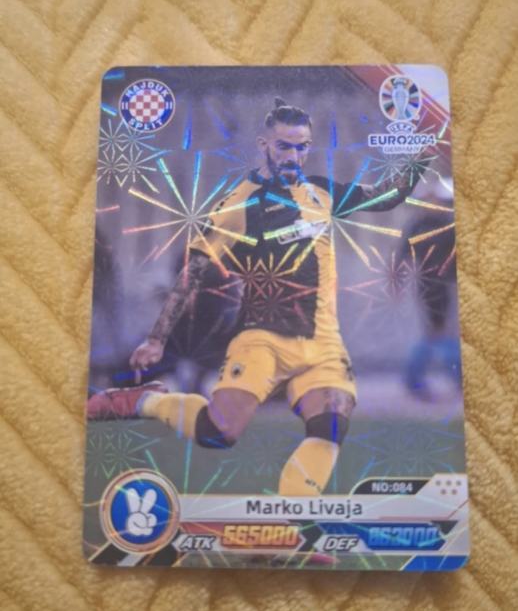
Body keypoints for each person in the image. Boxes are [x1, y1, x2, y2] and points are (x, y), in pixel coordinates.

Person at [88, 98, 426, 496]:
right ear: (264, 144)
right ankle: (147, 401)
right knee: (218, 432)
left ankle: (293, 517)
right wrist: (156, 339)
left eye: (302, 147)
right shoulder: (240, 203)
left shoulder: (321, 192)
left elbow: (387, 196)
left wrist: (423, 154)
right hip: (263, 338)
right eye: (284, 146)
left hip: (323, 341)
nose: (293, 156)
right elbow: (193, 271)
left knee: (332, 421)